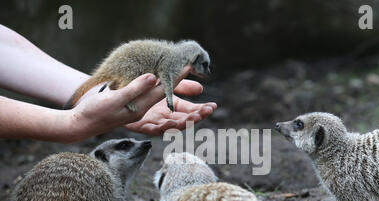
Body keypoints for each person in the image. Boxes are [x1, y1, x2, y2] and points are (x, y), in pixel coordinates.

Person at [0, 25, 217, 143]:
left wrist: (94, 92)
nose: (204, 72)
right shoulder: (173, 61)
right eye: (203, 66)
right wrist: (68, 124)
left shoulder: (173, 58)